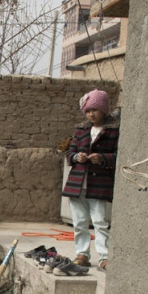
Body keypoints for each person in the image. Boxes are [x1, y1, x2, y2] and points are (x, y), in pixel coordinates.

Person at [62, 89, 119, 271]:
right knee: (79, 223)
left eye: (94, 110)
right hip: (78, 184)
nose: (91, 114)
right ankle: (82, 254)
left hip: (98, 185)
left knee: (100, 222)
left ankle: (104, 257)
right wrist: (76, 157)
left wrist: (102, 158)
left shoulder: (113, 131)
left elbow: (117, 155)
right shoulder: (81, 129)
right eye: (88, 111)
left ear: (103, 109)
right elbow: (69, 152)